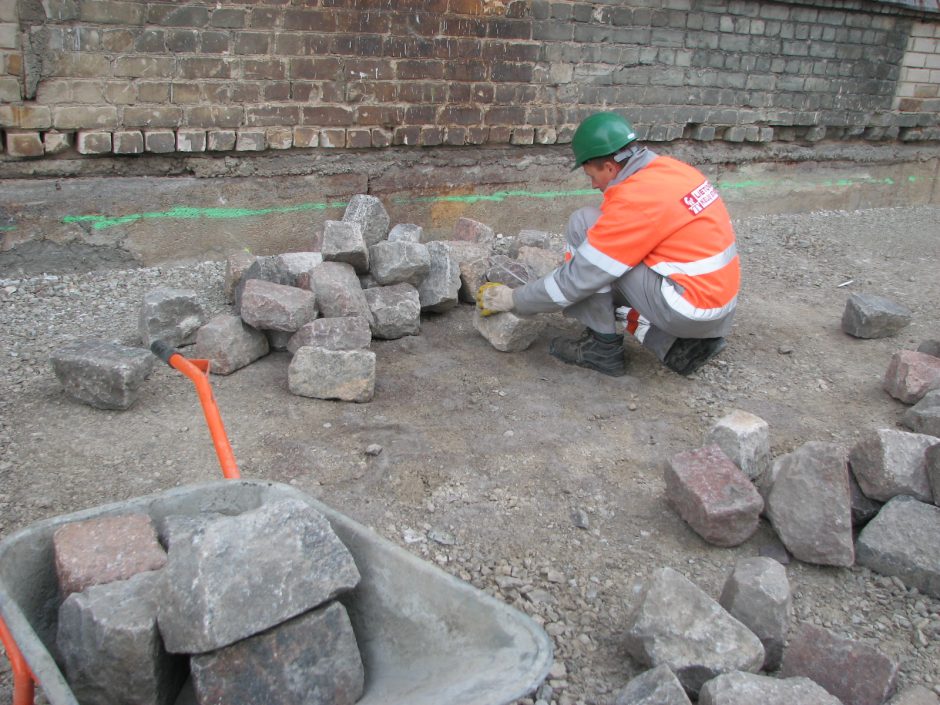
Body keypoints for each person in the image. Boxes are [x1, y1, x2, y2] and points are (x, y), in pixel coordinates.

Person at [476, 111, 739, 377]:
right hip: (715, 305)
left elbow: (576, 280)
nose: (593, 185)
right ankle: (673, 345)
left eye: (592, 175)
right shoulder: (672, 171)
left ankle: (602, 349)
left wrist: (514, 299)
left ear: (611, 168)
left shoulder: (635, 200)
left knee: (587, 243)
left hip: (687, 309)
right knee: (602, 255)